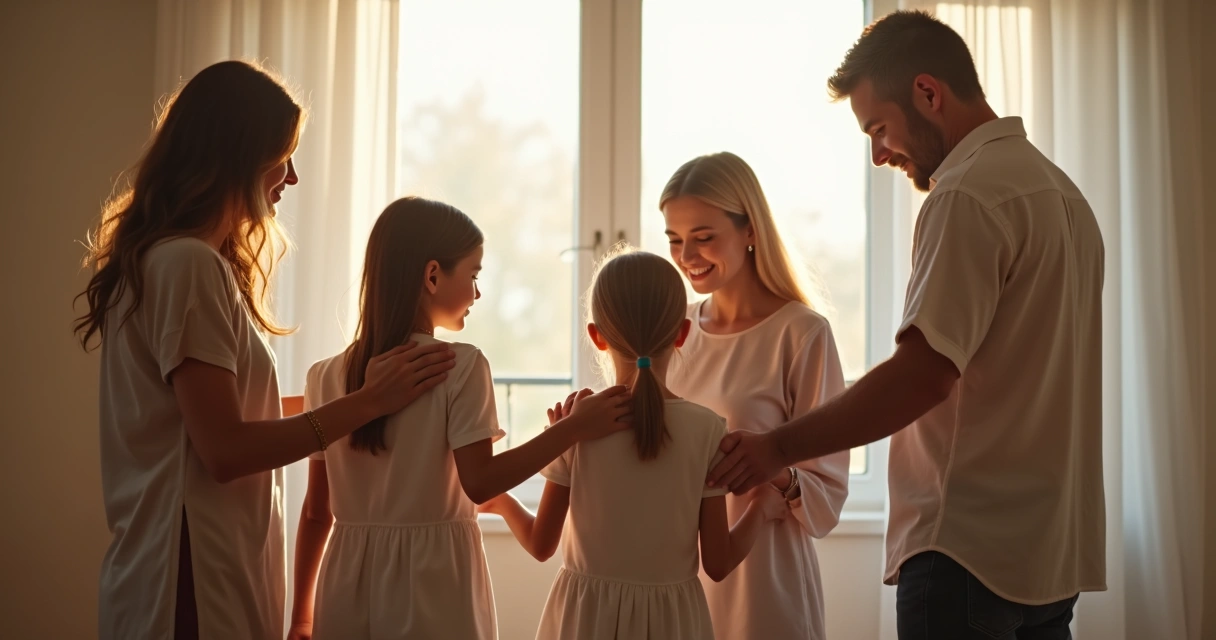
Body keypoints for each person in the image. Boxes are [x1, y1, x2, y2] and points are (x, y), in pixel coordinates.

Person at [706, 10, 1106, 639]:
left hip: (966, 553)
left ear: (928, 92)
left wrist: (776, 448)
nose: (877, 155)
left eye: (880, 129)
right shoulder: (1063, 197)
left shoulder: (966, 194)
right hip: (1049, 558)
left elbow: (922, 376)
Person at [74, 61, 456, 640]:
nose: (293, 177)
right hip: (188, 583)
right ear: (237, 156)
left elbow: (224, 413)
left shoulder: (167, 261)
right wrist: (366, 404)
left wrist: (349, 390)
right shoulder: (187, 265)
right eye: (283, 156)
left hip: (188, 571)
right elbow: (224, 448)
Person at [287, 197, 632, 640]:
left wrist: (301, 616)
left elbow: (317, 512)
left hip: (345, 582)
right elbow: (481, 482)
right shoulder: (460, 366)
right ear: (432, 276)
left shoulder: (325, 374)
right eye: (473, 275)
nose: (478, 292)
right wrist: (573, 429)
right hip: (434, 584)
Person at [479, 249, 788, 640]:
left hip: (585, 620)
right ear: (682, 333)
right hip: (673, 623)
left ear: (597, 337)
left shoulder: (577, 426)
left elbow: (542, 544)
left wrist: (503, 503)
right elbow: (718, 562)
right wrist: (760, 508)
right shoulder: (707, 430)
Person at [658, 151, 850, 639]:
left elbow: (826, 488)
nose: (687, 257)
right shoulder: (672, 329)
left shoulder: (801, 334)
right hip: (677, 578)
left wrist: (774, 477)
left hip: (764, 581)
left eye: (703, 238)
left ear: (750, 232)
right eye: (675, 240)